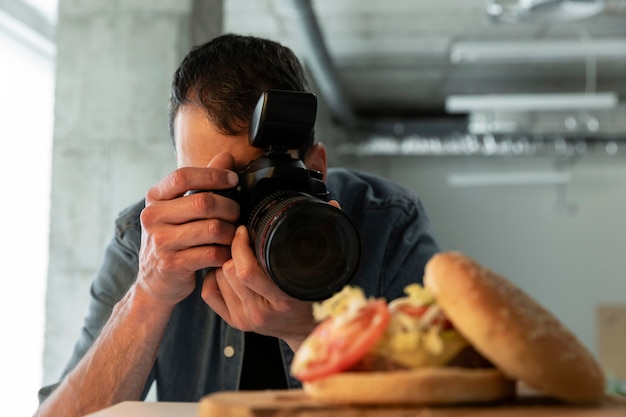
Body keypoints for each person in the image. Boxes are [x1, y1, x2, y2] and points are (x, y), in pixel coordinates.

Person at [35, 33, 440, 416]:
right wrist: (148, 294)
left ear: (316, 167)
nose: (238, 211)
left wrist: (311, 334)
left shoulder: (384, 220)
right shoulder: (148, 239)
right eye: (211, 188)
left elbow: (445, 403)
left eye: (258, 182)